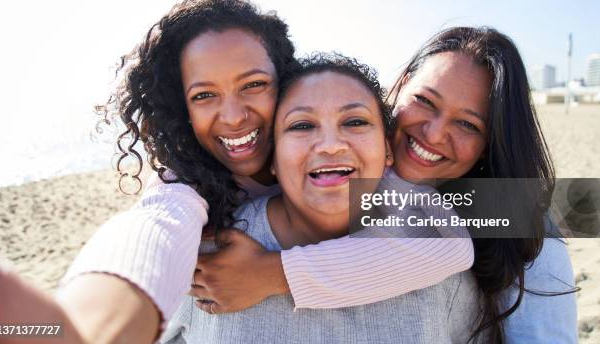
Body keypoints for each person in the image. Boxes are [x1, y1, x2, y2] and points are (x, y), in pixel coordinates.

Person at [56, 0, 473, 344]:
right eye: (204, 95)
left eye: (254, 84)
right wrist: (91, 313)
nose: (235, 116)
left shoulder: (398, 185)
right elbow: (154, 232)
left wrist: (274, 274)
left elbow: (454, 243)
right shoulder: (189, 185)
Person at [192, 27, 577, 343]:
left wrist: (273, 274)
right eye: (425, 101)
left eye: (467, 124)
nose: (434, 133)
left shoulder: (511, 216)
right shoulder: (327, 172)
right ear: (400, 87)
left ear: (488, 144)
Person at [161, 54, 483, 344]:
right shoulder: (207, 258)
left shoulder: (443, 247)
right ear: (271, 159)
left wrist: (274, 273)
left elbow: (454, 245)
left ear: (387, 150)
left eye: (355, 121)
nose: (330, 145)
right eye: (302, 125)